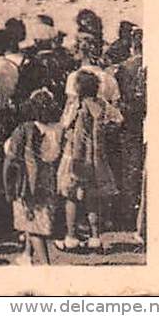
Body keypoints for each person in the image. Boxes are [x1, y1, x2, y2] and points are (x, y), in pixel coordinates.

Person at [56, 69, 121, 253]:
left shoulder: (75, 105)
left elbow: (64, 124)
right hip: (96, 158)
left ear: (78, 87)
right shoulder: (102, 104)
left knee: (71, 196)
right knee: (93, 197)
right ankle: (95, 237)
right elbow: (118, 119)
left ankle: (71, 237)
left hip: (75, 157)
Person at [3, 88, 64, 265]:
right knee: (36, 219)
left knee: (33, 222)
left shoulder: (25, 129)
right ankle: (27, 255)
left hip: (29, 179)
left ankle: (46, 265)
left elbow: (11, 153)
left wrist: (8, 186)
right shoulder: (57, 129)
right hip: (49, 176)